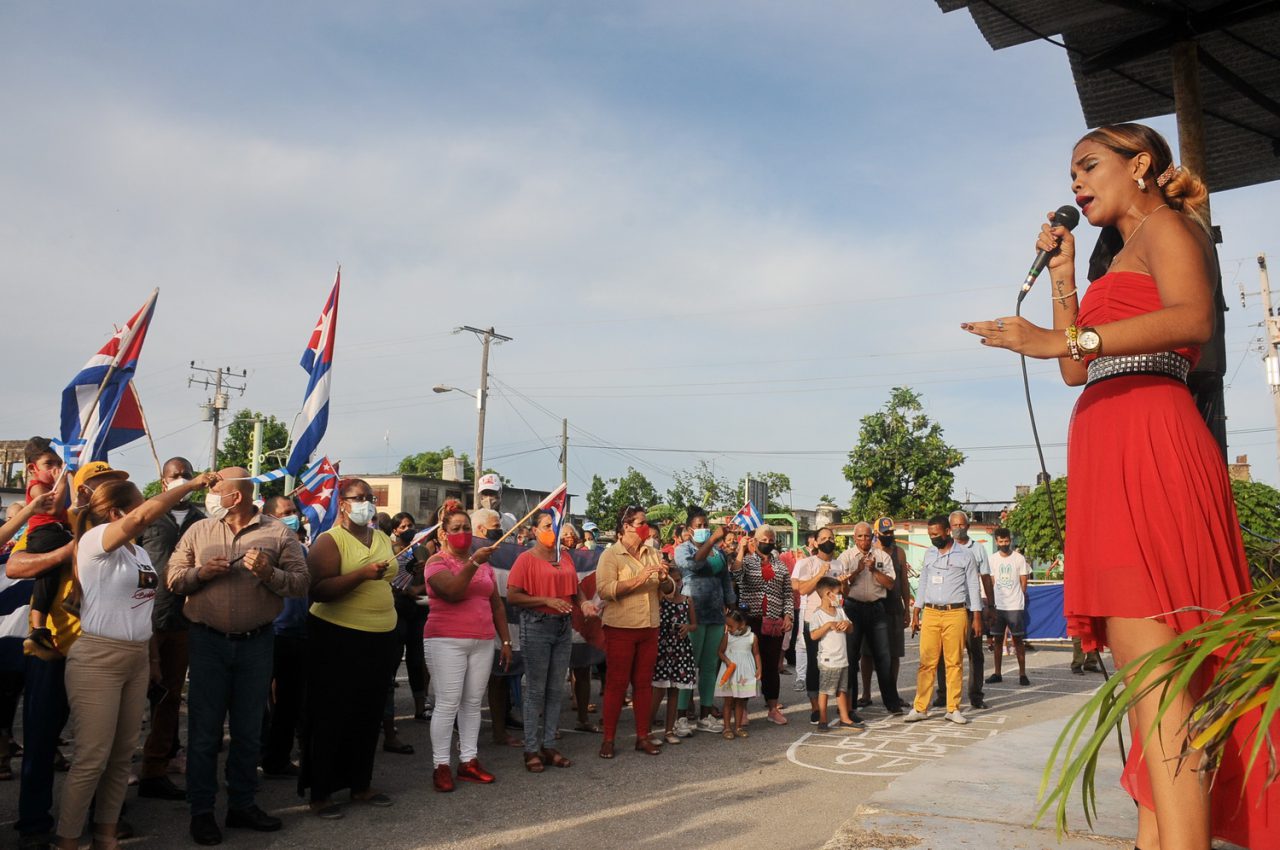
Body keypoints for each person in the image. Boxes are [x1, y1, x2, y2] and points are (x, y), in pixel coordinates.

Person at [962, 122, 1273, 849]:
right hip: (1108, 452)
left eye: (1088, 165)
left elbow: (1193, 319)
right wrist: (1067, 282)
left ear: (1140, 166)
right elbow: (1075, 370)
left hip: (1151, 447)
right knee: (1147, 700)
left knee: (1165, 695)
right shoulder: (1113, 264)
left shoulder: (1171, 225)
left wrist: (1057, 337)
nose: (1075, 180)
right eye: (1071, 170)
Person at [54, 470, 218, 850]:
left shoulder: (139, 553)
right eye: (138, 504)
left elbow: (139, 609)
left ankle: (105, 836)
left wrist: (152, 659)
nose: (146, 510)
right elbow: (142, 518)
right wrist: (191, 485)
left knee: (121, 756)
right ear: (116, 513)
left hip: (135, 657)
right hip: (98, 657)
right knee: (92, 758)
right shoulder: (95, 541)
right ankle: (67, 841)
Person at [167, 468, 310, 844]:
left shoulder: (279, 532)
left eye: (218, 490)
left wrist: (269, 573)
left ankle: (242, 805)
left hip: (257, 644)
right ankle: (202, 811)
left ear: (239, 495)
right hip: (207, 642)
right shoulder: (198, 530)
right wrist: (200, 574)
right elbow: (173, 577)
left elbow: (300, 583)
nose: (211, 495)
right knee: (204, 733)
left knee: (248, 732)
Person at [8, 461, 128, 849]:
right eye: (98, 484)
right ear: (81, 490)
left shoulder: (123, 534)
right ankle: (33, 823)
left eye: (111, 483)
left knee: (100, 747)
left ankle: (104, 816)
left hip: (103, 657)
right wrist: (67, 552)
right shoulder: (54, 528)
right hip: (55, 652)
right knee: (41, 742)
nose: (105, 489)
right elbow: (14, 566)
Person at [296, 478, 400, 819]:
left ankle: (361, 784)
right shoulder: (330, 540)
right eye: (359, 498)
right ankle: (321, 792)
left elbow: (390, 578)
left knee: (368, 712)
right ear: (342, 503)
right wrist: (362, 575)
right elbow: (319, 590)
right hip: (337, 637)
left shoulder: (381, 537)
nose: (366, 504)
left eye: (370, 498)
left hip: (379, 637)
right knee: (331, 714)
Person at [422, 505, 511, 792]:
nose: (463, 533)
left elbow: (496, 603)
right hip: (446, 640)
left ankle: (469, 761)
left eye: (467, 528)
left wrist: (506, 641)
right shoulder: (436, 562)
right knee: (448, 704)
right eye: (456, 528)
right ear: (444, 534)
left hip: (482, 640)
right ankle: (441, 765)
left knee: (473, 703)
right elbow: (452, 591)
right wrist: (473, 562)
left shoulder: (483, 565)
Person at [136, 457, 205, 802]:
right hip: (143, 619)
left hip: (185, 621)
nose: (181, 480)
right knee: (133, 699)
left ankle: (154, 771)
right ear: (163, 482)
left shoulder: (203, 519)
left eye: (187, 475)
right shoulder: (146, 515)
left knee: (169, 699)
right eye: (174, 476)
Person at [506, 509, 592, 772]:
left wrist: (584, 601)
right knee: (535, 689)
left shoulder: (564, 556)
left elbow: (574, 587)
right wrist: (545, 600)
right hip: (536, 625)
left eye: (555, 526)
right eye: (546, 526)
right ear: (534, 530)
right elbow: (513, 596)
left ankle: (549, 743)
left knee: (556, 689)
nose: (552, 531)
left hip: (562, 627)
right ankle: (531, 749)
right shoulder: (525, 560)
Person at [595, 505, 674, 758]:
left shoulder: (652, 552)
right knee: (616, 684)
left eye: (645, 522)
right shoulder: (611, 555)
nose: (645, 526)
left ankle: (643, 735)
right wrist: (640, 579)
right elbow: (605, 590)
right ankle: (608, 738)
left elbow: (669, 590)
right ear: (626, 526)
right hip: (620, 627)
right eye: (640, 522)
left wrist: (664, 578)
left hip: (650, 626)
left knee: (643, 684)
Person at [906, 516, 983, 726]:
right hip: (930, 613)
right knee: (926, 662)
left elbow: (973, 587)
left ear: (947, 531)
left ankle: (953, 708)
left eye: (936, 534)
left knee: (954, 662)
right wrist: (916, 611)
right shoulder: (929, 553)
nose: (933, 538)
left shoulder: (966, 556)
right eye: (930, 535)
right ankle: (921, 707)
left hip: (955, 613)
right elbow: (922, 583)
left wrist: (977, 615)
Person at [673, 508, 734, 735]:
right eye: (698, 526)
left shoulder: (718, 553)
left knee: (709, 666)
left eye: (705, 525)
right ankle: (680, 717)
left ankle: (705, 714)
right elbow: (694, 566)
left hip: (715, 613)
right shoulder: (683, 550)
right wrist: (711, 540)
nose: (702, 529)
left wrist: (731, 603)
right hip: (692, 613)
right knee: (688, 666)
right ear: (689, 530)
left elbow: (725, 578)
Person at [260, 495, 307, 778]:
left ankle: (278, 758)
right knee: (260, 704)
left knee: (289, 703)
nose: (293, 516)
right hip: (270, 632)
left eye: (294, 511)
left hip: (298, 634)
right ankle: (258, 755)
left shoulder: (301, 548)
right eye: (285, 512)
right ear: (270, 517)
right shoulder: (264, 547)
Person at [837, 522, 904, 714]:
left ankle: (891, 702)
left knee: (884, 657)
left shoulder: (882, 556)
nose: (864, 540)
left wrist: (874, 570)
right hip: (853, 608)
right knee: (851, 656)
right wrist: (857, 571)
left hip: (877, 608)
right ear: (854, 538)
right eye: (860, 537)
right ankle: (850, 704)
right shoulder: (846, 557)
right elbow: (841, 587)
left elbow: (891, 584)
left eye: (867, 536)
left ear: (872, 537)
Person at [731, 526, 793, 726]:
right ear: (755, 541)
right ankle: (743, 709)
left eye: (771, 539)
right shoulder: (747, 561)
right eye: (764, 539)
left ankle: (773, 708)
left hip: (773, 620)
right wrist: (741, 550)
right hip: (751, 619)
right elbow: (736, 576)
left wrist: (788, 615)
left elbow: (787, 592)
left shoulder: (780, 564)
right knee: (746, 664)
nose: (768, 542)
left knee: (771, 665)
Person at [790, 526, 848, 725]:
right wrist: (821, 574)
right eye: (823, 538)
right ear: (815, 542)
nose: (828, 541)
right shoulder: (807, 563)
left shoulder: (839, 564)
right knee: (815, 665)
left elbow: (842, 593)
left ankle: (842, 707)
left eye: (831, 537)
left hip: (835, 617)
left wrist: (843, 583)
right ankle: (815, 705)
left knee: (836, 660)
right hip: (813, 618)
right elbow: (801, 589)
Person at [934, 511, 991, 710]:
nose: (958, 528)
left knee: (975, 652)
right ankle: (944, 693)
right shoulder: (943, 548)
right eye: (955, 525)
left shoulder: (978, 549)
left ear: (968, 526)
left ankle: (976, 695)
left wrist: (989, 606)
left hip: (970, 609)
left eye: (962, 525)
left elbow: (985, 578)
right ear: (949, 528)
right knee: (943, 654)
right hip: (948, 609)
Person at [20, 437, 69, 661]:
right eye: (49, 464)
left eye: (58, 463)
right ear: (33, 468)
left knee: (53, 579)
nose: (55, 469)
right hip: (44, 535)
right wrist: (63, 482)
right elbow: (52, 510)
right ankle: (38, 629)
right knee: (46, 579)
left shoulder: (50, 485)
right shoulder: (37, 486)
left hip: (57, 532)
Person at [381, 511, 423, 755]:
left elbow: (423, 576)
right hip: (393, 612)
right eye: (402, 526)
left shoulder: (417, 549)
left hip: (415, 611)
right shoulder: (387, 549)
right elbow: (388, 580)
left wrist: (419, 574)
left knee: (416, 660)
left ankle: (417, 708)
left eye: (410, 524)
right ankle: (387, 726)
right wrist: (406, 591)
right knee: (389, 671)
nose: (407, 529)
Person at [862, 517, 913, 708]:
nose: (889, 536)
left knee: (894, 653)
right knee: (867, 653)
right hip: (874, 606)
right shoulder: (871, 553)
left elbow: (904, 581)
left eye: (891, 532)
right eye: (885, 533)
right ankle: (866, 694)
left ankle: (892, 693)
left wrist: (907, 609)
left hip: (894, 608)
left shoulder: (899, 553)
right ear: (877, 534)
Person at [806, 577, 862, 730]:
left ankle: (844, 718)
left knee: (841, 689)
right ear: (828, 594)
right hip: (828, 659)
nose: (840, 596)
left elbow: (850, 628)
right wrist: (828, 625)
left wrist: (847, 624)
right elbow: (813, 635)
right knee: (825, 690)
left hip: (842, 658)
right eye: (838, 593)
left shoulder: (839, 610)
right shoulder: (818, 614)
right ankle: (823, 719)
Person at [563, 523, 604, 733]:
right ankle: (550, 726)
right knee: (553, 675)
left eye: (572, 534)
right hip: (558, 622)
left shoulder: (585, 558)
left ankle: (582, 718)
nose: (569, 537)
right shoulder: (551, 558)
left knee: (583, 670)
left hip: (579, 625)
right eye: (564, 534)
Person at [649, 565, 696, 745]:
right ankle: (647, 730)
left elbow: (694, 624)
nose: (676, 584)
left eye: (678, 580)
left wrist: (687, 627)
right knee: (658, 690)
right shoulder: (660, 599)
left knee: (674, 690)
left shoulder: (687, 600)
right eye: (673, 580)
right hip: (662, 646)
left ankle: (669, 730)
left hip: (680, 648)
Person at [984, 528, 1031, 686]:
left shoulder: (1019, 558)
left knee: (1018, 640)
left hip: (1014, 605)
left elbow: (1024, 581)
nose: (1004, 544)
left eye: (1006, 541)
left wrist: (1018, 598)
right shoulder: (992, 559)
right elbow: (991, 581)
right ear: (996, 541)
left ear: (1010, 540)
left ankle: (1022, 674)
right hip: (998, 606)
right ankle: (997, 673)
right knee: (997, 640)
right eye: (1001, 541)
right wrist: (991, 603)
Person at [714, 610, 759, 739]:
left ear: (742, 624)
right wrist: (728, 662)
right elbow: (720, 652)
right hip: (730, 674)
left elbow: (756, 653)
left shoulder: (752, 637)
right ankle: (727, 727)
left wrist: (759, 668)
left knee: (740, 702)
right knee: (728, 701)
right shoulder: (728, 636)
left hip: (743, 674)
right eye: (726, 626)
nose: (728, 629)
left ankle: (738, 726)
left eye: (731, 626)